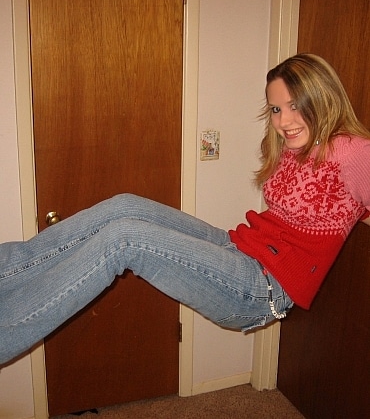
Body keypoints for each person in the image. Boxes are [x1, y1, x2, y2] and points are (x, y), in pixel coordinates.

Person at [1, 53, 369, 365]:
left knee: (125, 239)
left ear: (322, 97)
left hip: (262, 288)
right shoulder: (300, 143)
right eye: (276, 108)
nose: (284, 121)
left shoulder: (351, 150)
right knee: (125, 205)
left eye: (294, 106)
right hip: (239, 247)